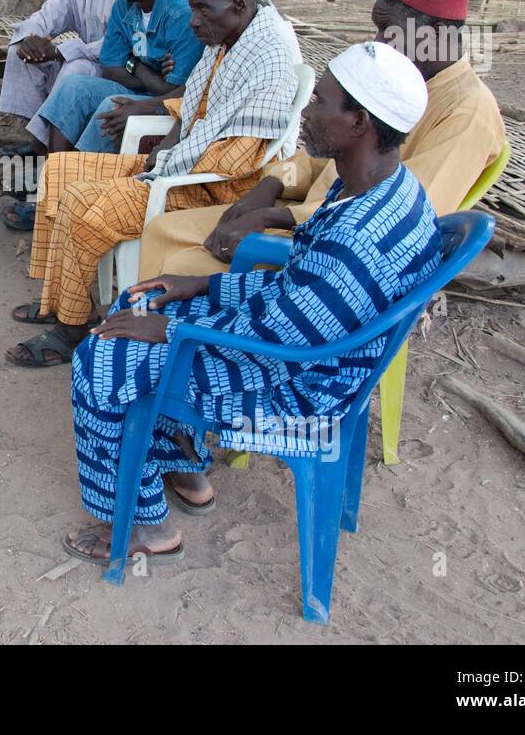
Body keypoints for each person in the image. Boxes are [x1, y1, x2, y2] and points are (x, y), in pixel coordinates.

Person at [61, 41, 441, 567]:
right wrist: (201, 288)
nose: (305, 112)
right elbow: (299, 298)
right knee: (141, 299)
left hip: (302, 385)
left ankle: (145, 527)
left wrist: (171, 333)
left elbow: (280, 337)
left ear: (360, 123)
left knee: (101, 357)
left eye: (321, 103)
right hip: (308, 346)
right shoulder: (384, 189)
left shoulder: (358, 237)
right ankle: (184, 467)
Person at [5, 0, 299, 367]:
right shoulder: (230, 39)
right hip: (179, 164)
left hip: (208, 187)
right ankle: (60, 299)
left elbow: (234, 162)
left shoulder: (267, 59)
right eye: (193, 7)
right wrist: (162, 153)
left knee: (88, 207)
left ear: (238, 3)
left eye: (202, 9)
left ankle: (71, 328)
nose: (193, 19)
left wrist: (161, 167)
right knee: (60, 171)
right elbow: (191, 107)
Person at [138, 0, 505, 280]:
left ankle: (180, 347)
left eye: (389, 32)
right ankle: (140, 340)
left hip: (337, 245)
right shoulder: (394, 77)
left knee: (184, 267)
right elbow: (320, 160)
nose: (377, 43)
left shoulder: (467, 112)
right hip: (301, 211)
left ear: (435, 36)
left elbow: (400, 218)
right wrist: (272, 186)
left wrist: (276, 219)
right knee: (162, 232)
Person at [32, 0, 204, 155]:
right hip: (140, 87)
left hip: (170, 104)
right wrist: (141, 67)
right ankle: (52, 168)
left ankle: (83, 178)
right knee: (72, 86)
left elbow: (171, 89)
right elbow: (111, 68)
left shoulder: (180, 14)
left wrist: (130, 62)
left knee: (111, 108)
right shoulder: (123, 5)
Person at [0, 0, 121, 156]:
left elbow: (115, 45)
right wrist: (30, 38)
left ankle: (49, 150)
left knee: (75, 68)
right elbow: (47, 16)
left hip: (112, 68)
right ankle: (37, 139)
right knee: (18, 51)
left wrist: (59, 52)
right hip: (81, 59)